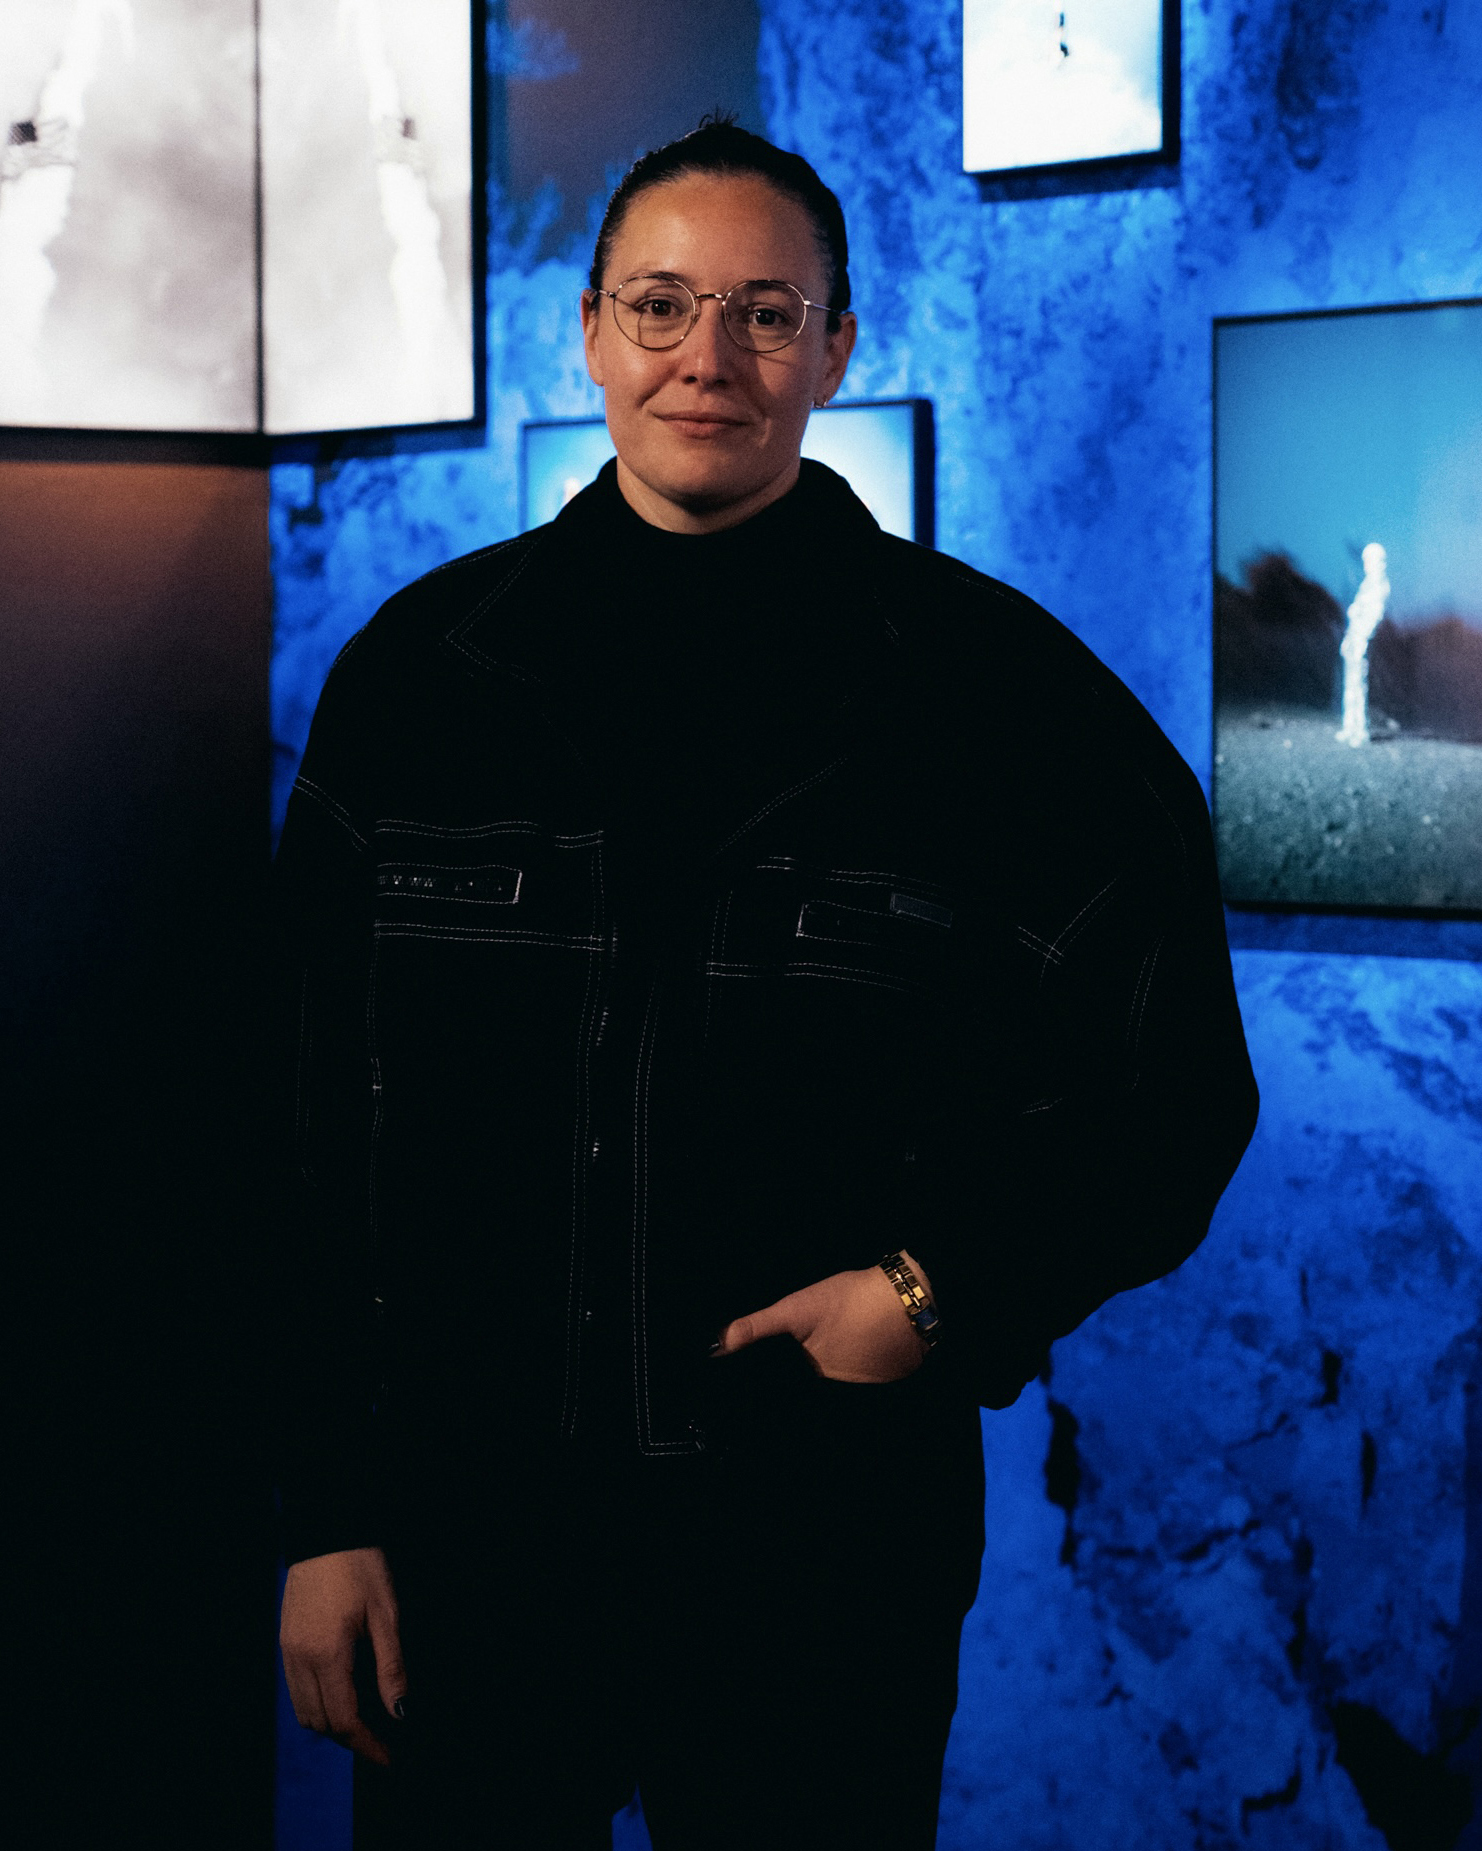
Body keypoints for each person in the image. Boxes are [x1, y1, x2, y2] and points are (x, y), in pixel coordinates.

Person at [274, 119, 1259, 1850]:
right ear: (589, 334)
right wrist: (319, 1510)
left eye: (763, 312)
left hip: (821, 1550)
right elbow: (290, 1112)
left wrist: (938, 1288)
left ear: (834, 349)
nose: (706, 358)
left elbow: (1171, 1091)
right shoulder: (420, 679)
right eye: (660, 305)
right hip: (461, 1539)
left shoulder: (1002, 703)